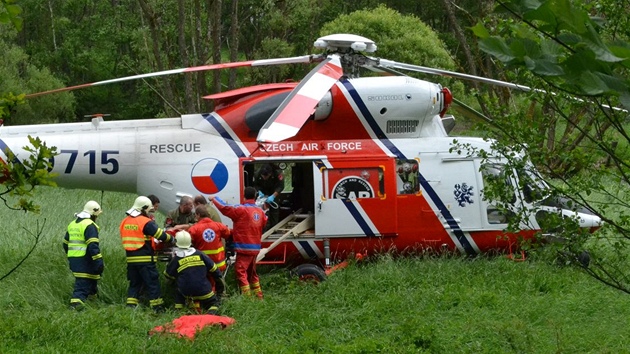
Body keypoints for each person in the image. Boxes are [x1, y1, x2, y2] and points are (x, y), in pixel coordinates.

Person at [210, 186, 266, 299]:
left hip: (244, 247)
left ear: (244, 196)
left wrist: (214, 198)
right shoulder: (260, 212)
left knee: (240, 271)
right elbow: (263, 223)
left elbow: (225, 208)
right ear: (255, 197)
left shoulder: (241, 210)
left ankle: (247, 297)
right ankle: (259, 296)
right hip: (255, 248)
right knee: (252, 273)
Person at [119, 196, 173, 312]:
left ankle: (130, 307)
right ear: (144, 209)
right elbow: (161, 235)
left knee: (134, 284)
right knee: (152, 283)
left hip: (131, 260)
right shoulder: (145, 222)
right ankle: (157, 308)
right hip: (145, 259)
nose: (149, 213)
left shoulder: (125, 221)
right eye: (149, 210)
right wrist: (172, 239)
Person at [164, 231, 225, 314]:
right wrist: (220, 290)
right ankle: (210, 314)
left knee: (178, 288)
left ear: (177, 243)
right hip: (204, 291)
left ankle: (179, 310)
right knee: (214, 303)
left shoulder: (176, 259)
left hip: (186, 294)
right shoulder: (200, 254)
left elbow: (168, 276)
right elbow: (215, 270)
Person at [63, 200, 104, 310]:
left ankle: (92, 306)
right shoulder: (90, 225)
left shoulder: (73, 224)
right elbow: (93, 246)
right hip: (85, 260)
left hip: (74, 260)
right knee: (82, 286)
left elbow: (65, 244)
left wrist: (72, 256)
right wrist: (98, 261)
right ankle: (75, 307)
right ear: (93, 214)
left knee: (91, 283)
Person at [188, 206, 232, 274]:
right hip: (218, 264)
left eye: (195, 215)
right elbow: (228, 234)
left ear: (198, 215)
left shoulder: (194, 229)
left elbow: (189, 243)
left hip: (203, 265)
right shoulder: (219, 226)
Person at [253, 163, 284, 230]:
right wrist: (259, 191)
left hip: (274, 193)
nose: (264, 178)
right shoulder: (257, 174)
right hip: (262, 194)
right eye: (263, 176)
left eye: (266, 176)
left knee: (274, 212)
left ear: (270, 174)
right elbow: (255, 185)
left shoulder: (278, 174)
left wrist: (273, 196)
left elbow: (280, 186)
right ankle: (263, 229)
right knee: (262, 211)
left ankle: (274, 229)